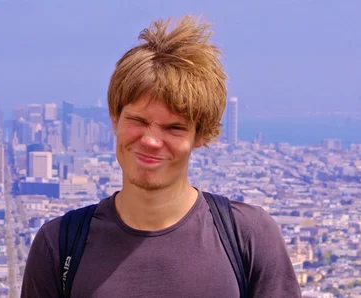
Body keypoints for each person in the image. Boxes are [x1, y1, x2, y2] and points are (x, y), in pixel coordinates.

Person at [21, 15, 301, 298]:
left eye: (174, 128)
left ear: (201, 135)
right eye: (138, 121)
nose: (151, 141)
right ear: (114, 118)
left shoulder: (248, 237)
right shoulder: (60, 245)